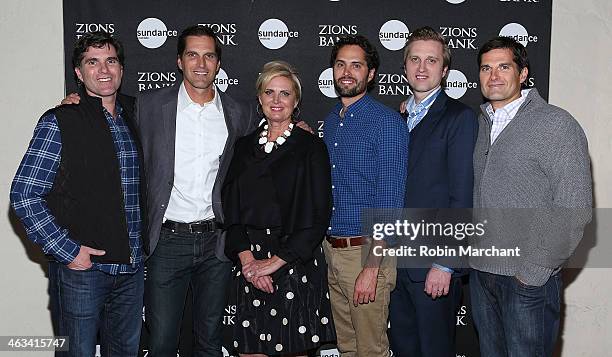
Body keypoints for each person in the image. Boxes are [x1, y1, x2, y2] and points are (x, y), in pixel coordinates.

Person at [10, 31, 145, 356]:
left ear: (122, 69)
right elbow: (25, 194)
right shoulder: (59, 121)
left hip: (132, 271)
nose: (104, 70)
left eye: (111, 61)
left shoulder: (136, 115)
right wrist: (67, 251)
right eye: (92, 62)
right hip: (83, 273)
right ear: (79, 72)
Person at [470, 36, 592, 356]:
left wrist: (534, 272)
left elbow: (575, 208)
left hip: (527, 280)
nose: (493, 75)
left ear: (522, 73)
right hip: (483, 277)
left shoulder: (556, 124)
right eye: (486, 68)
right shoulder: (483, 124)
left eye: (503, 67)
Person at [222, 60, 336, 356]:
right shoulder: (243, 146)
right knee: (249, 351)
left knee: (292, 349)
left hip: (294, 262)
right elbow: (231, 208)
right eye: (269, 92)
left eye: (285, 94)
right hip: (248, 261)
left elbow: (318, 216)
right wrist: (249, 263)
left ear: (295, 101)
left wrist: (274, 263)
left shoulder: (311, 147)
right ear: (259, 98)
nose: (276, 100)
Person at [388, 26, 478, 357]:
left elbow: (462, 195)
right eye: (414, 59)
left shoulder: (459, 118)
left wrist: (446, 263)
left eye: (431, 60)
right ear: (405, 67)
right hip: (393, 263)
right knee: (403, 349)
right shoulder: (395, 119)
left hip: (432, 266)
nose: (422, 68)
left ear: (444, 70)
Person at [322, 35, 408, 357]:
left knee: (371, 350)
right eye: (340, 64)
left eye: (356, 65)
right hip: (332, 251)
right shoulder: (332, 123)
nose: (347, 72)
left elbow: (389, 200)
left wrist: (372, 267)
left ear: (370, 74)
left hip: (367, 253)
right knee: (346, 348)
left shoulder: (386, 124)